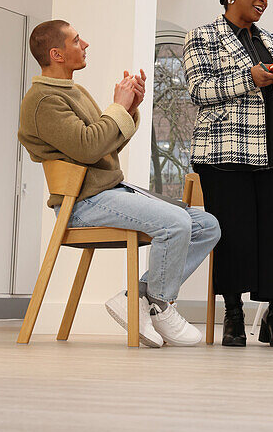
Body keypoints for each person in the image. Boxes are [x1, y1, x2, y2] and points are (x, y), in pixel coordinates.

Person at [18, 20, 220, 348]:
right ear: (57, 54)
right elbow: (88, 146)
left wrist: (130, 108)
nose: (85, 45)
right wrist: (117, 106)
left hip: (108, 193)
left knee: (206, 225)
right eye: (76, 41)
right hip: (83, 205)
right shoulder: (43, 100)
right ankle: (161, 304)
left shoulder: (74, 91)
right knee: (176, 223)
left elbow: (103, 147)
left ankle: (138, 298)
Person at [183, 0, 273, 348]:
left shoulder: (270, 39)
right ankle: (233, 317)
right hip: (223, 150)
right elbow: (199, 90)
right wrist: (249, 78)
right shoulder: (201, 35)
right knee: (233, 235)